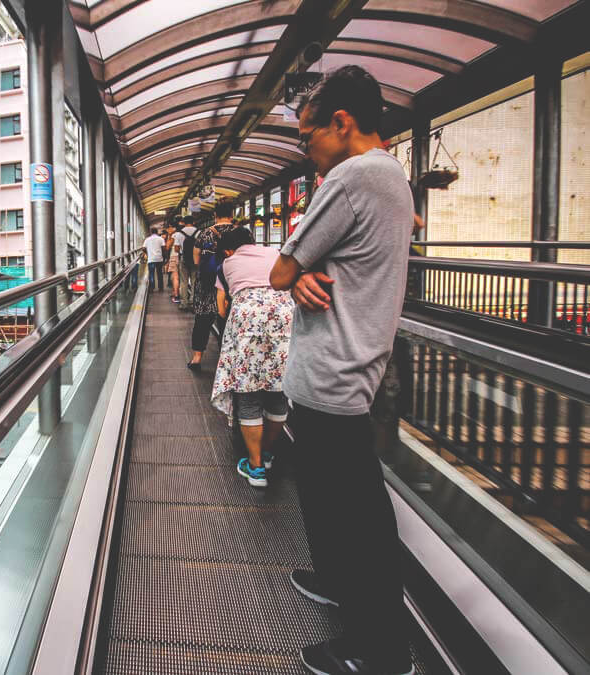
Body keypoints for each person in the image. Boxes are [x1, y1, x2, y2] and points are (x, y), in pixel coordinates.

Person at [269, 65, 414, 675]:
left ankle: (380, 650)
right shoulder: (394, 177)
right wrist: (303, 272)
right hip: (353, 368)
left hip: (332, 374)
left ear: (342, 123)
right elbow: (312, 266)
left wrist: (296, 271)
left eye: (307, 136)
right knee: (333, 501)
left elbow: (280, 269)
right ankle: (334, 581)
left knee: (359, 518)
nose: (306, 149)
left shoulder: (352, 176)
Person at [210, 227, 293, 488]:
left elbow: (221, 306)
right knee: (278, 391)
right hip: (285, 316)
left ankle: (256, 467)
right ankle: (267, 454)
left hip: (247, 320)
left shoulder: (226, 264)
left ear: (227, 250)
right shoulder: (277, 253)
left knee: (248, 394)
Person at [187, 202, 236, 370]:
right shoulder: (241, 233)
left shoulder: (205, 233)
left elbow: (196, 258)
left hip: (207, 282)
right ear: (232, 214)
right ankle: (229, 359)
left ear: (215, 215)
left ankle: (197, 358)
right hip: (231, 282)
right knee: (229, 318)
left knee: (202, 319)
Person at [177, 216, 198, 310]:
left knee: (183, 281)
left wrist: (183, 251)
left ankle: (183, 303)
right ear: (193, 222)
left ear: (183, 223)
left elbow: (176, 248)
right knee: (195, 281)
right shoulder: (199, 232)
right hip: (196, 259)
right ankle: (193, 302)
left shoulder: (179, 234)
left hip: (184, 259)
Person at [142, 226, 165, 291]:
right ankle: (160, 288)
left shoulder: (147, 239)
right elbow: (164, 248)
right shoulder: (161, 239)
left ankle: (152, 288)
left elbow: (143, 248)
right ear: (157, 232)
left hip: (151, 259)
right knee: (159, 273)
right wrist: (164, 256)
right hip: (159, 258)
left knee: (151, 274)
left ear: (151, 232)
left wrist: (147, 253)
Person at [164, 221, 181, 302]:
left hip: (174, 256)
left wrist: (169, 235)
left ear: (173, 227)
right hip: (184, 256)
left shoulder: (174, 235)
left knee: (175, 277)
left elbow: (167, 247)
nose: (168, 229)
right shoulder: (182, 233)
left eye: (170, 227)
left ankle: (176, 295)